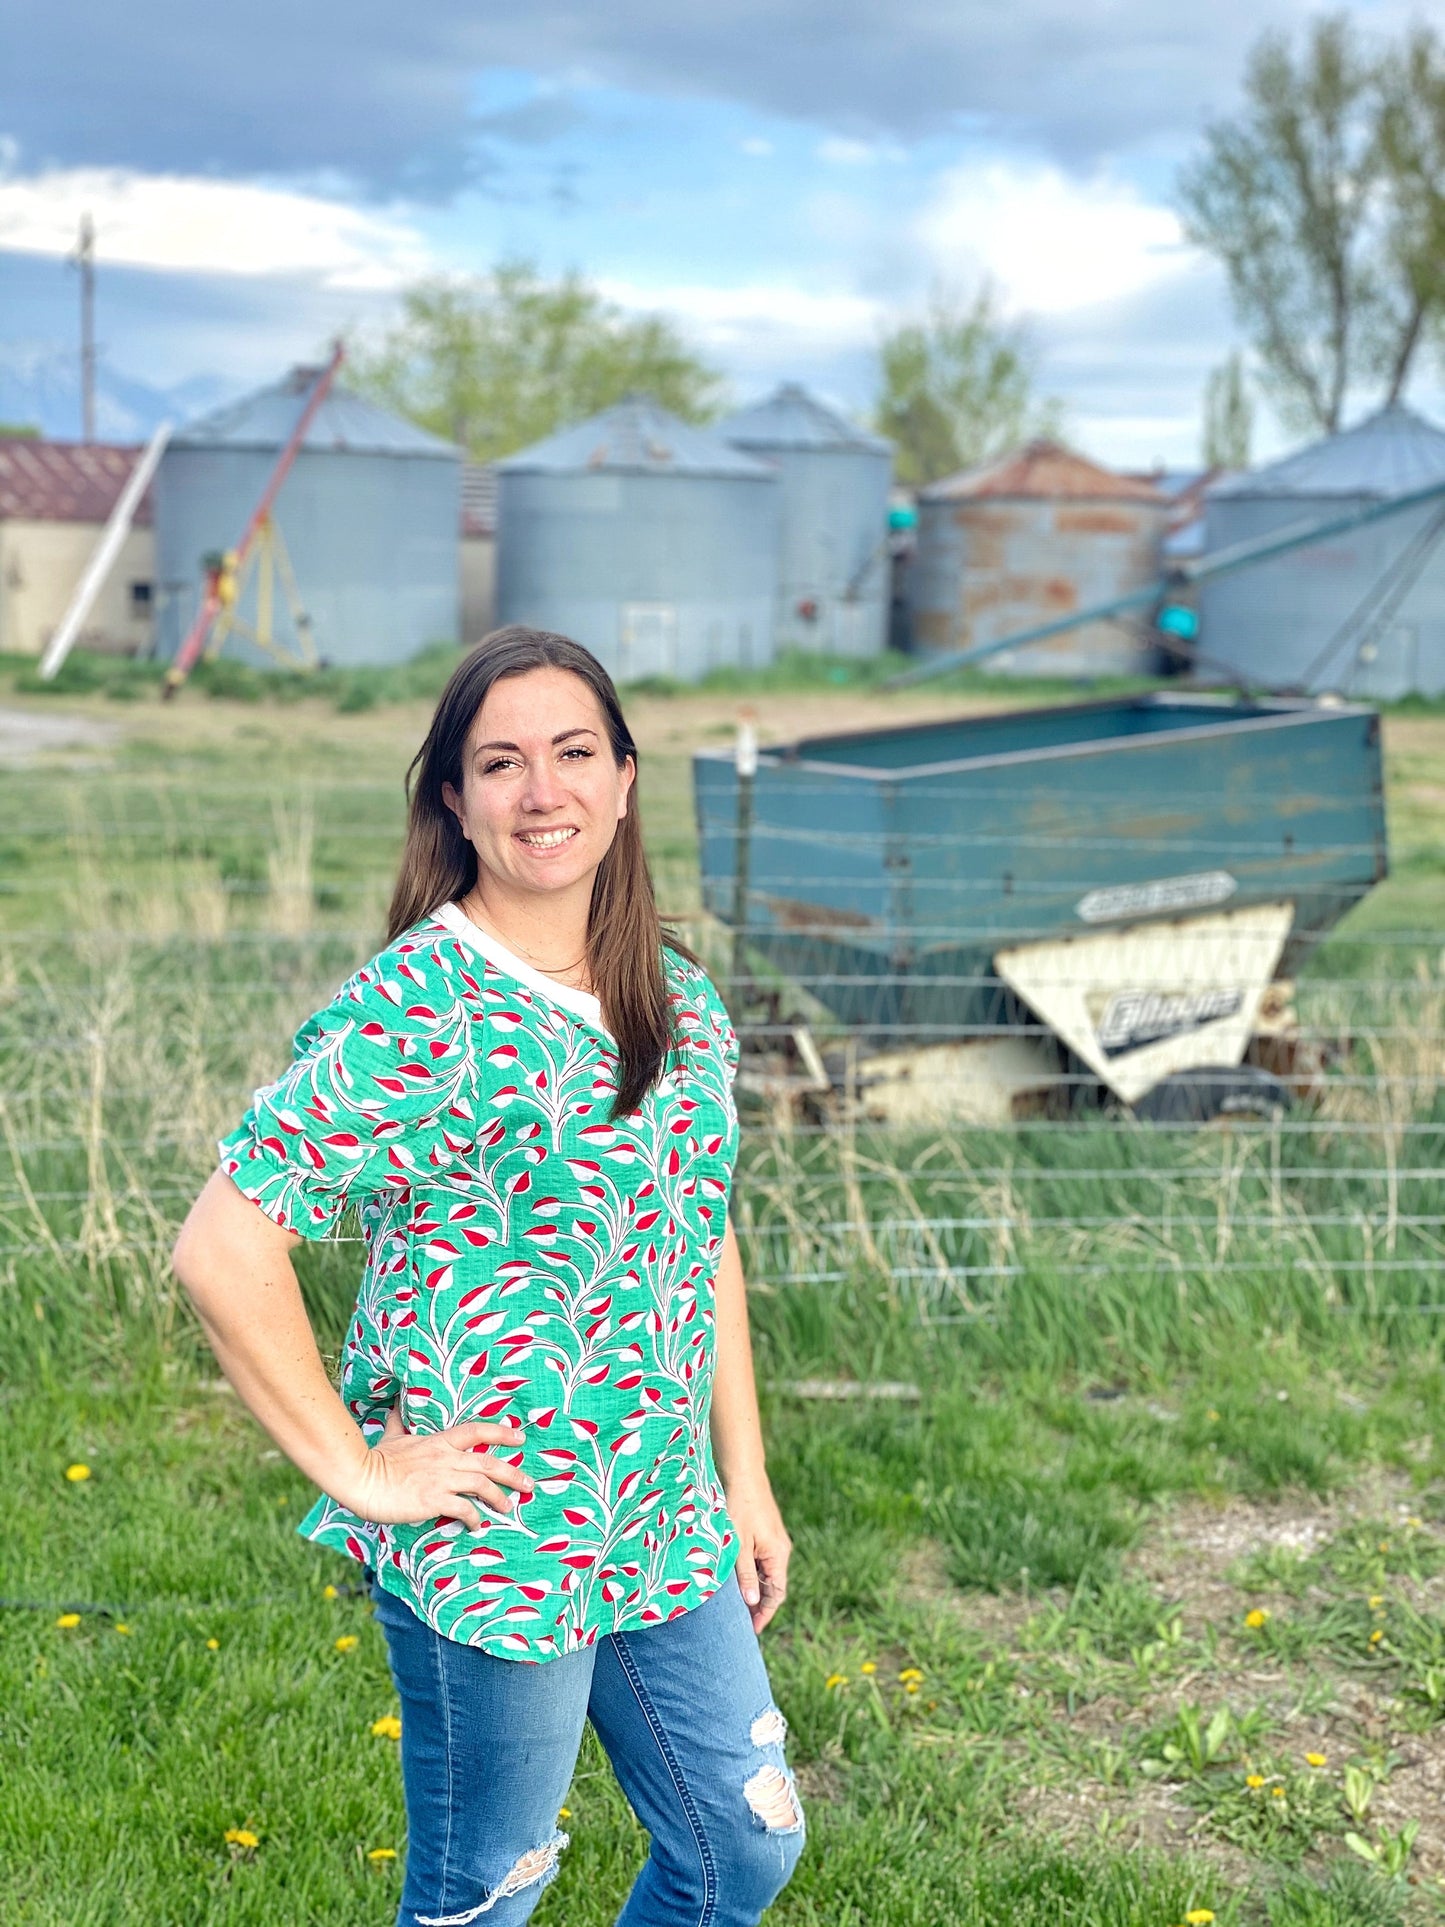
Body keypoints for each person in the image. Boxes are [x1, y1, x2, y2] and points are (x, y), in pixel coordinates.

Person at [173, 628, 804, 1927]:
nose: (542, 792)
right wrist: (362, 1471)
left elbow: (694, 1231)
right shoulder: (423, 1009)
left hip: (662, 1519)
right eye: (499, 763)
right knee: (486, 1897)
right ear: (454, 801)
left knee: (741, 1851)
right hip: (501, 1537)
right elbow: (223, 1246)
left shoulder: (676, 997)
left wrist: (738, 1475)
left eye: (573, 753)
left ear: (624, 778)